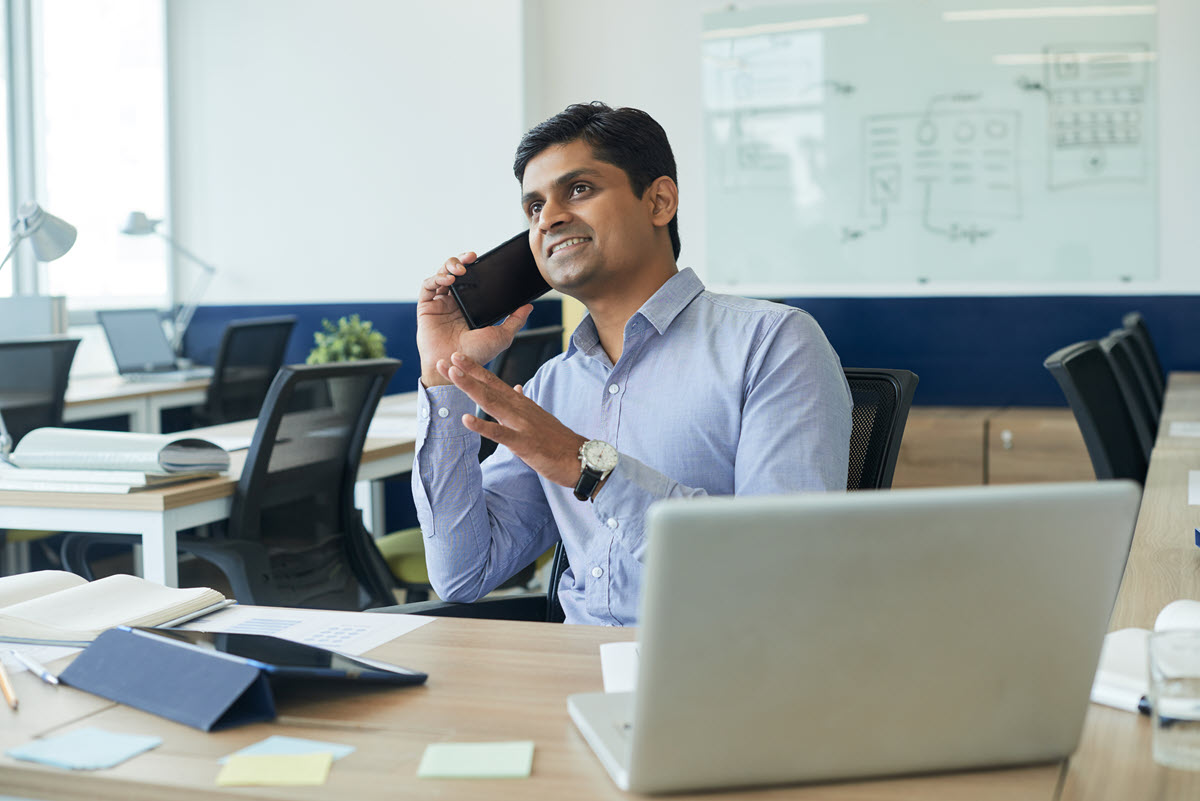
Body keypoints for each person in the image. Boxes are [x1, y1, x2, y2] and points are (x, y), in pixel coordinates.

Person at [413, 101, 851, 626]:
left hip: (713, 676)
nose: (548, 218)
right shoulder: (554, 385)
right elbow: (462, 574)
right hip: (571, 678)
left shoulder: (772, 343)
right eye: (533, 208)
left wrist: (589, 468)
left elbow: (780, 568)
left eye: (579, 189)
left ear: (659, 200)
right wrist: (445, 375)